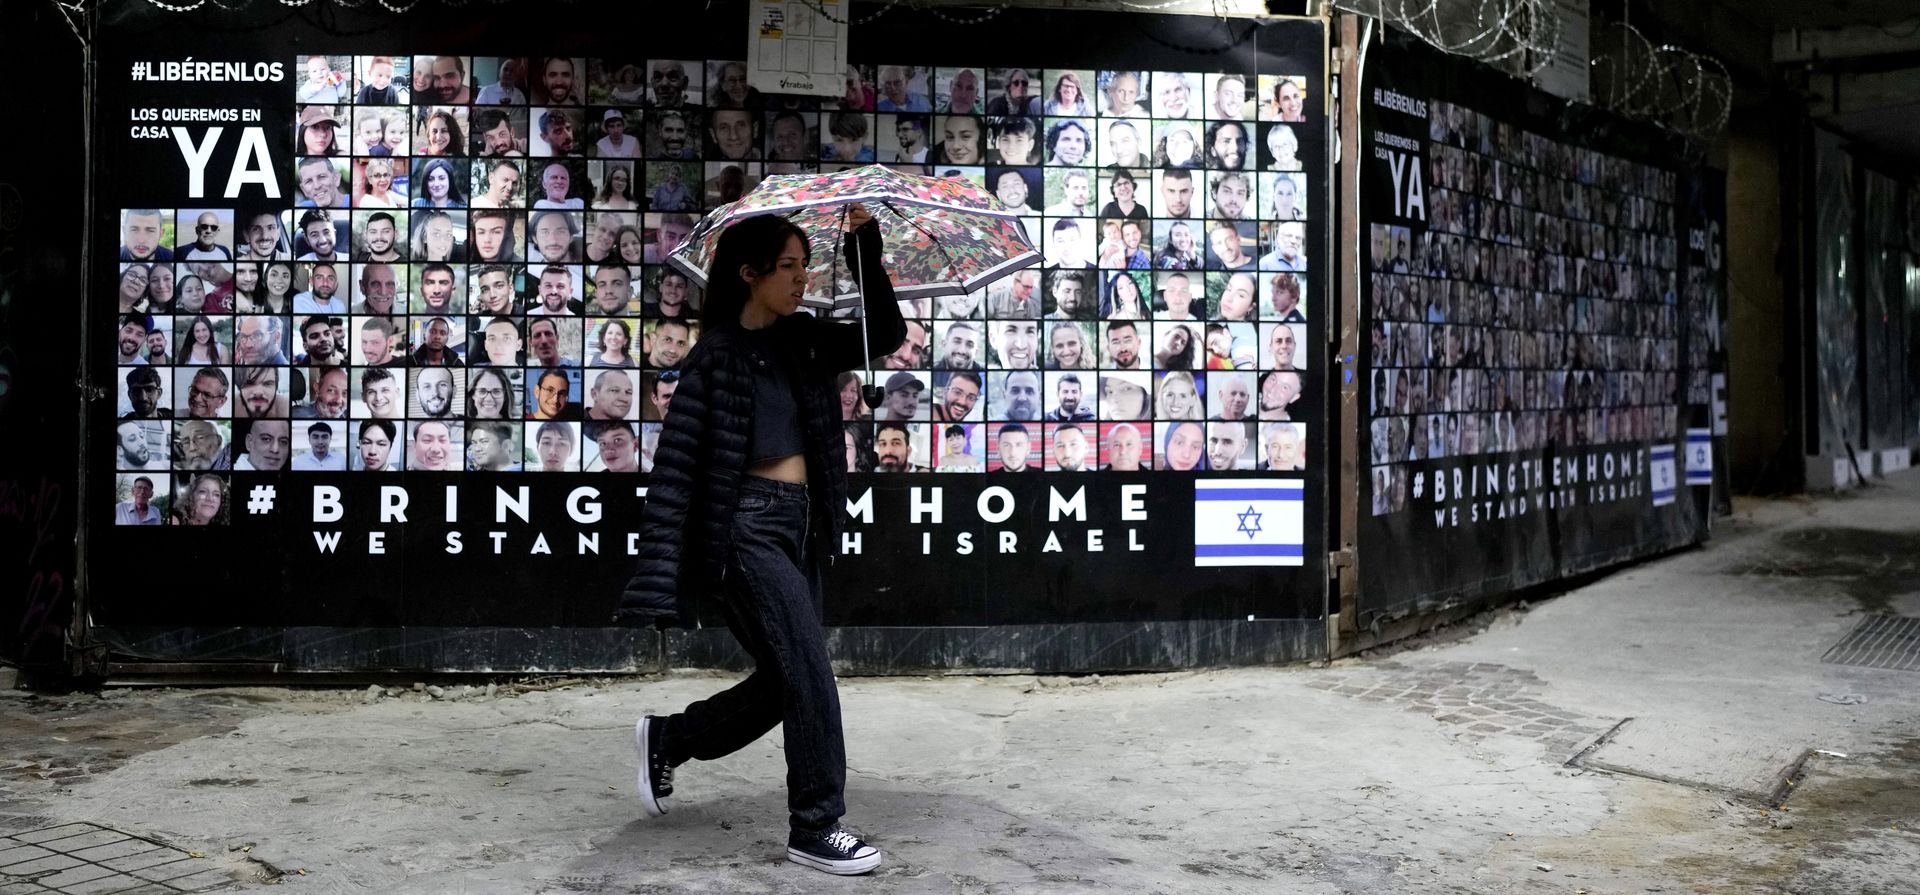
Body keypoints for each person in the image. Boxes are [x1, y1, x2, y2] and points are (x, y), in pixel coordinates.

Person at [621, 205, 903, 875]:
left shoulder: (805, 338)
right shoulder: (715, 356)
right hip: (744, 528)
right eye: (788, 267)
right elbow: (677, 470)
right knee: (809, 671)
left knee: (785, 680)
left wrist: (863, 245)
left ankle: (672, 738)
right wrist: (659, 576)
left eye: (806, 265)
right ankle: (816, 824)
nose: (802, 278)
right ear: (749, 274)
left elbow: (886, 332)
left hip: (800, 525)